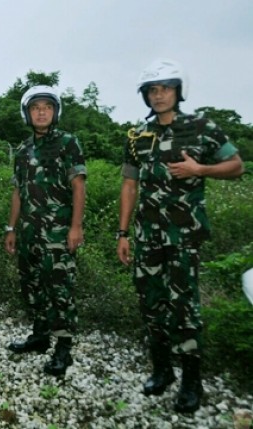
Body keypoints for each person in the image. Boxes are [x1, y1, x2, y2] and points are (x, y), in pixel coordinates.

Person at [117, 58, 244, 413]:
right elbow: (129, 184)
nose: (159, 96)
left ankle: (192, 381)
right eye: (152, 90)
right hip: (148, 236)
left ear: (178, 91)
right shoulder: (137, 135)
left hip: (184, 236)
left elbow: (237, 166)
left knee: (185, 308)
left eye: (165, 88)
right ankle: (162, 371)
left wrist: (200, 168)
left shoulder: (202, 128)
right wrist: (123, 232)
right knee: (151, 303)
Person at [4, 86, 86, 376]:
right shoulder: (23, 149)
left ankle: (64, 349)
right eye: (35, 107)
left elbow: (78, 185)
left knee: (60, 290)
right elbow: (17, 192)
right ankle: (39, 337)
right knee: (32, 285)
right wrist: (11, 228)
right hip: (28, 232)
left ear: (55, 112)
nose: (41, 112)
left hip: (58, 233)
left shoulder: (67, 142)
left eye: (46, 107)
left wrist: (76, 227)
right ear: (27, 113)